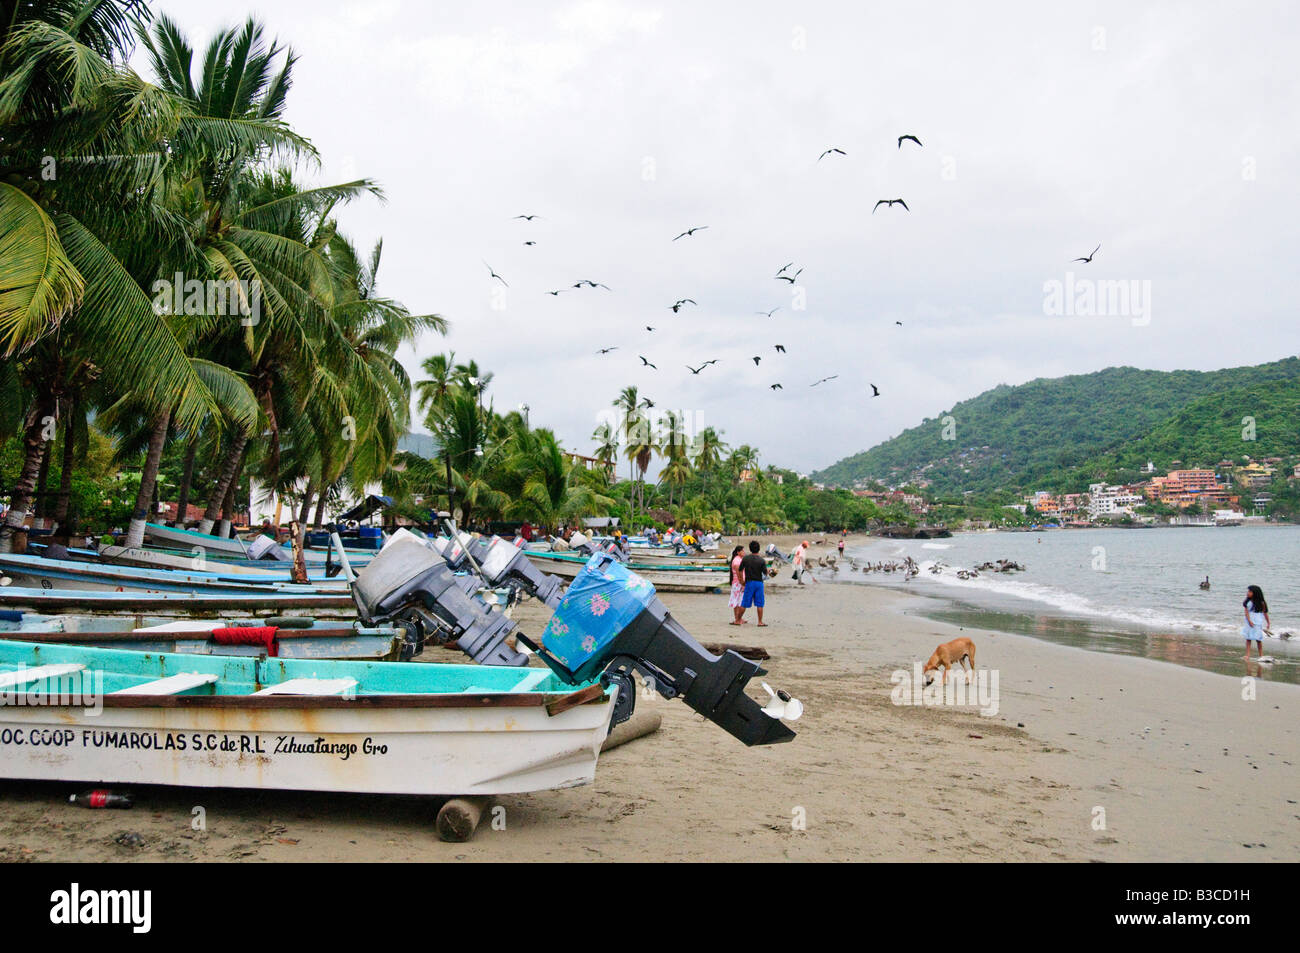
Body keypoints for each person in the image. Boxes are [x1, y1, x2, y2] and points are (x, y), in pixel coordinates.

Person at [739, 541, 768, 625]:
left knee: (744, 602)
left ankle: (738, 620)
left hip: (749, 582)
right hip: (759, 583)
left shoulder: (746, 558)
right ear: (758, 549)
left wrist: (742, 581)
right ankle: (760, 622)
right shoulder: (761, 560)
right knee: (760, 603)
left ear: (750, 548)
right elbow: (765, 573)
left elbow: (740, 570)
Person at [1242, 585, 1271, 660]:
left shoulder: (1261, 602)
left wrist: (1268, 623)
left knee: (1258, 639)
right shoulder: (1247, 601)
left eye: (1250, 591)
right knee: (1248, 638)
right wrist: (1249, 621)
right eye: (1248, 591)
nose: (1248, 593)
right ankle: (1247, 655)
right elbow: (1246, 612)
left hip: (1258, 621)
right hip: (1249, 621)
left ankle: (1261, 655)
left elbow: (1265, 613)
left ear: (1255, 593)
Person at [727, 545, 746, 625]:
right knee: (737, 601)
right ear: (738, 552)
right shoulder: (737, 561)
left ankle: (739, 618)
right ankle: (737, 618)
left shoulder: (739, 560)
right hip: (738, 583)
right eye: (742, 551)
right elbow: (739, 574)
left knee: (739, 601)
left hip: (738, 582)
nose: (744, 552)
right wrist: (743, 584)